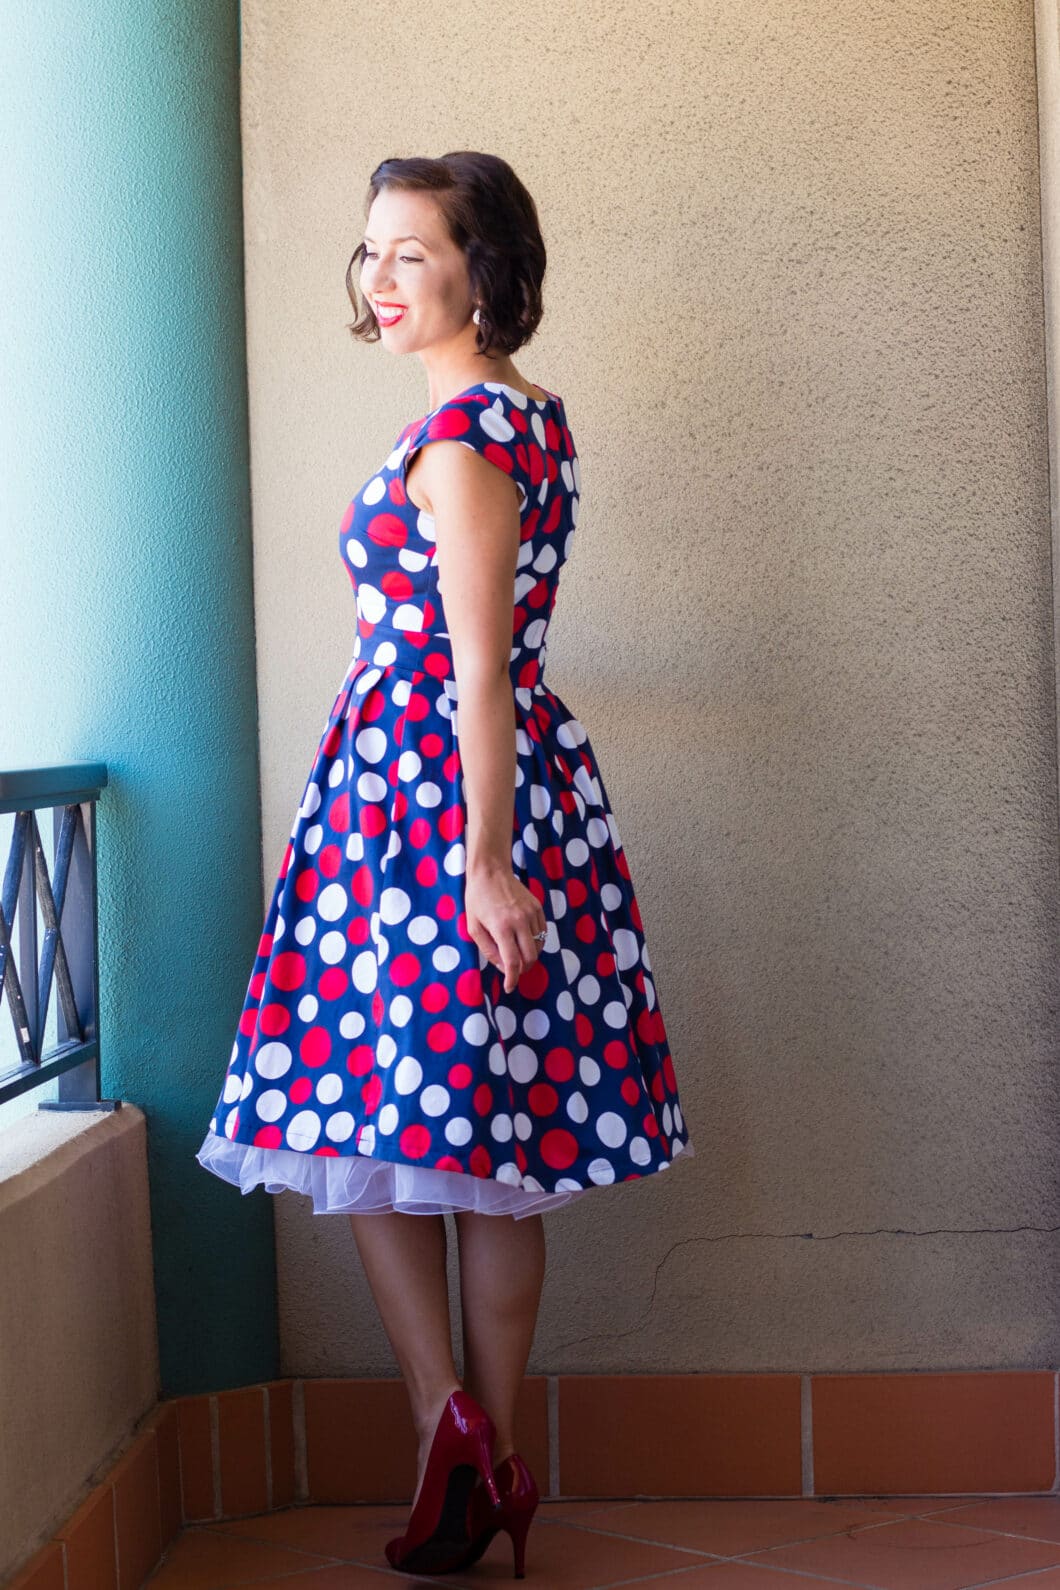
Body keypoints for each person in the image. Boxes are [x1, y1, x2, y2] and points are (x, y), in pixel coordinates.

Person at [196, 150, 694, 1577]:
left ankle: (446, 1427)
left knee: (390, 1127)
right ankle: (483, 1451)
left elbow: (481, 673)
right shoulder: (535, 424)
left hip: (426, 809)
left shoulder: (465, 442)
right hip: (447, 793)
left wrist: (485, 860)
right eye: (371, 252)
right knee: (478, 1147)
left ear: (484, 268)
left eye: (414, 251)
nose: (383, 278)